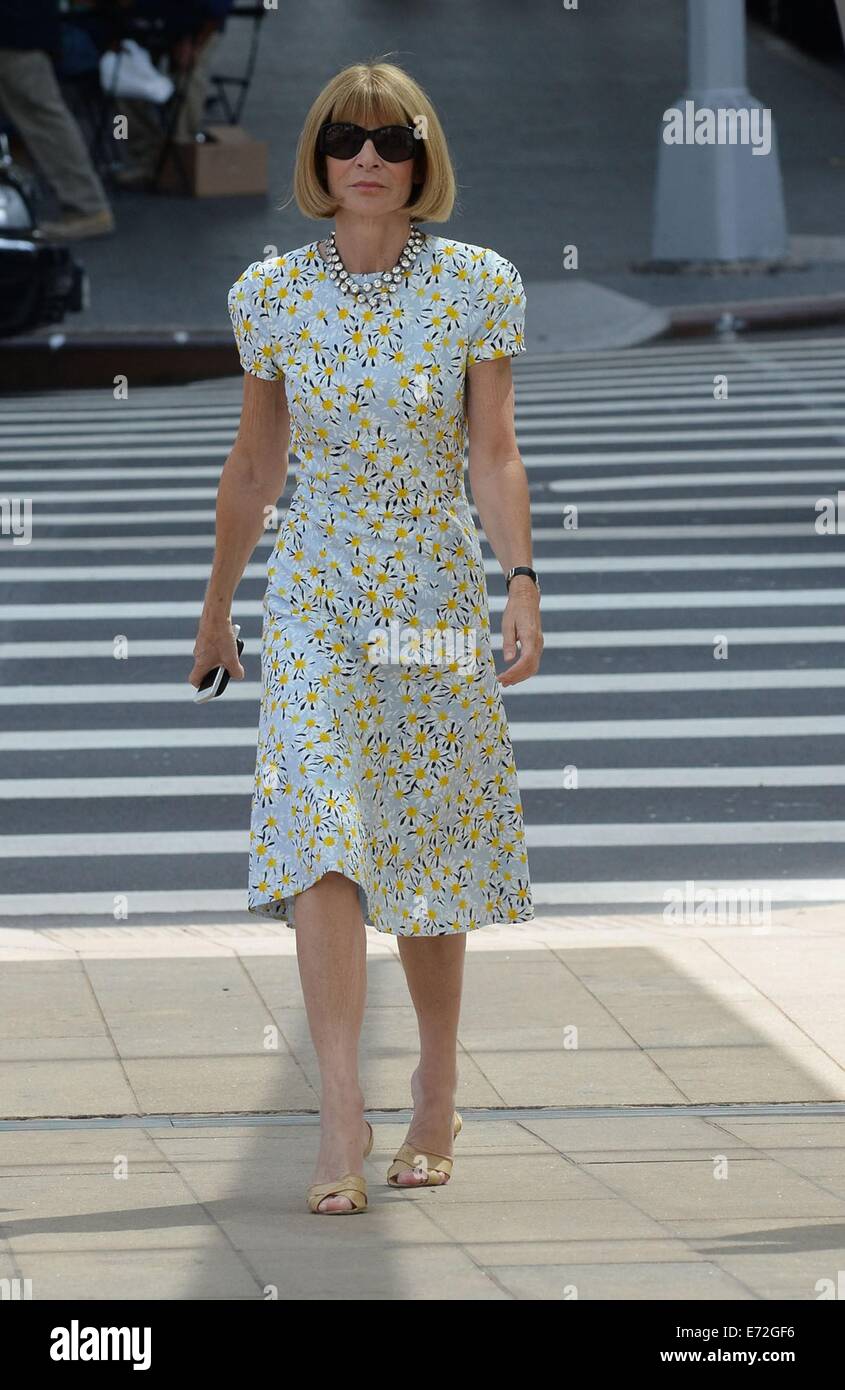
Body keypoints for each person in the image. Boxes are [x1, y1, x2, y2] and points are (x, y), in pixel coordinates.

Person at [191, 60, 543, 1215]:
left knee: (425, 848)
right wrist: (216, 609)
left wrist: (521, 581)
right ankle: (339, 1108)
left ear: (421, 158)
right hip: (314, 595)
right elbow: (255, 465)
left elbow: (490, 453)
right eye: (347, 137)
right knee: (319, 833)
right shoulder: (271, 295)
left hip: (432, 592)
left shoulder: (479, 284)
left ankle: (435, 1088)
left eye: (392, 139)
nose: (368, 157)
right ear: (319, 157)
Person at [0, 0, 114, 240]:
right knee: (41, 116)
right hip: (23, 28)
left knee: (43, 117)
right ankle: (89, 199)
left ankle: (88, 204)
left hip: (16, 28)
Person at [114, 0, 234, 187]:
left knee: (190, 78)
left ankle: (181, 153)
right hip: (145, 24)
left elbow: (216, 12)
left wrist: (195, 44)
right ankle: (145, 156)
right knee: (124, 82)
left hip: (197, 23)